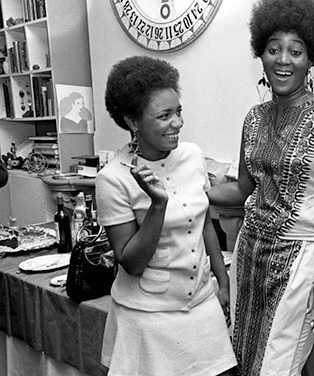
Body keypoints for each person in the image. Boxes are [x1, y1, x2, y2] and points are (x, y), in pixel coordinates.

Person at [207, 0, 314, 374]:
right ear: (261, 55)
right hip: (250, 256)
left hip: (301, 262)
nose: (283, 59)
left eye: (295, 51)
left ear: (311, 58)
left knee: (277, 368)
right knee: (243, 362)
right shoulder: (253, 118)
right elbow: (241, 190)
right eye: (273, 49)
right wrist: (192, 192)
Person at [95, 55, 236, 376]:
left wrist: (223, 279)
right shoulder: (113, 179)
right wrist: (157, 206)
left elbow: (203, 225)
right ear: (133, 121)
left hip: (202, 307)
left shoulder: (192, 156)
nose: (178, 123)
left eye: (179, 111)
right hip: (148, 319)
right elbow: (130, 262)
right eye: (164, 116)